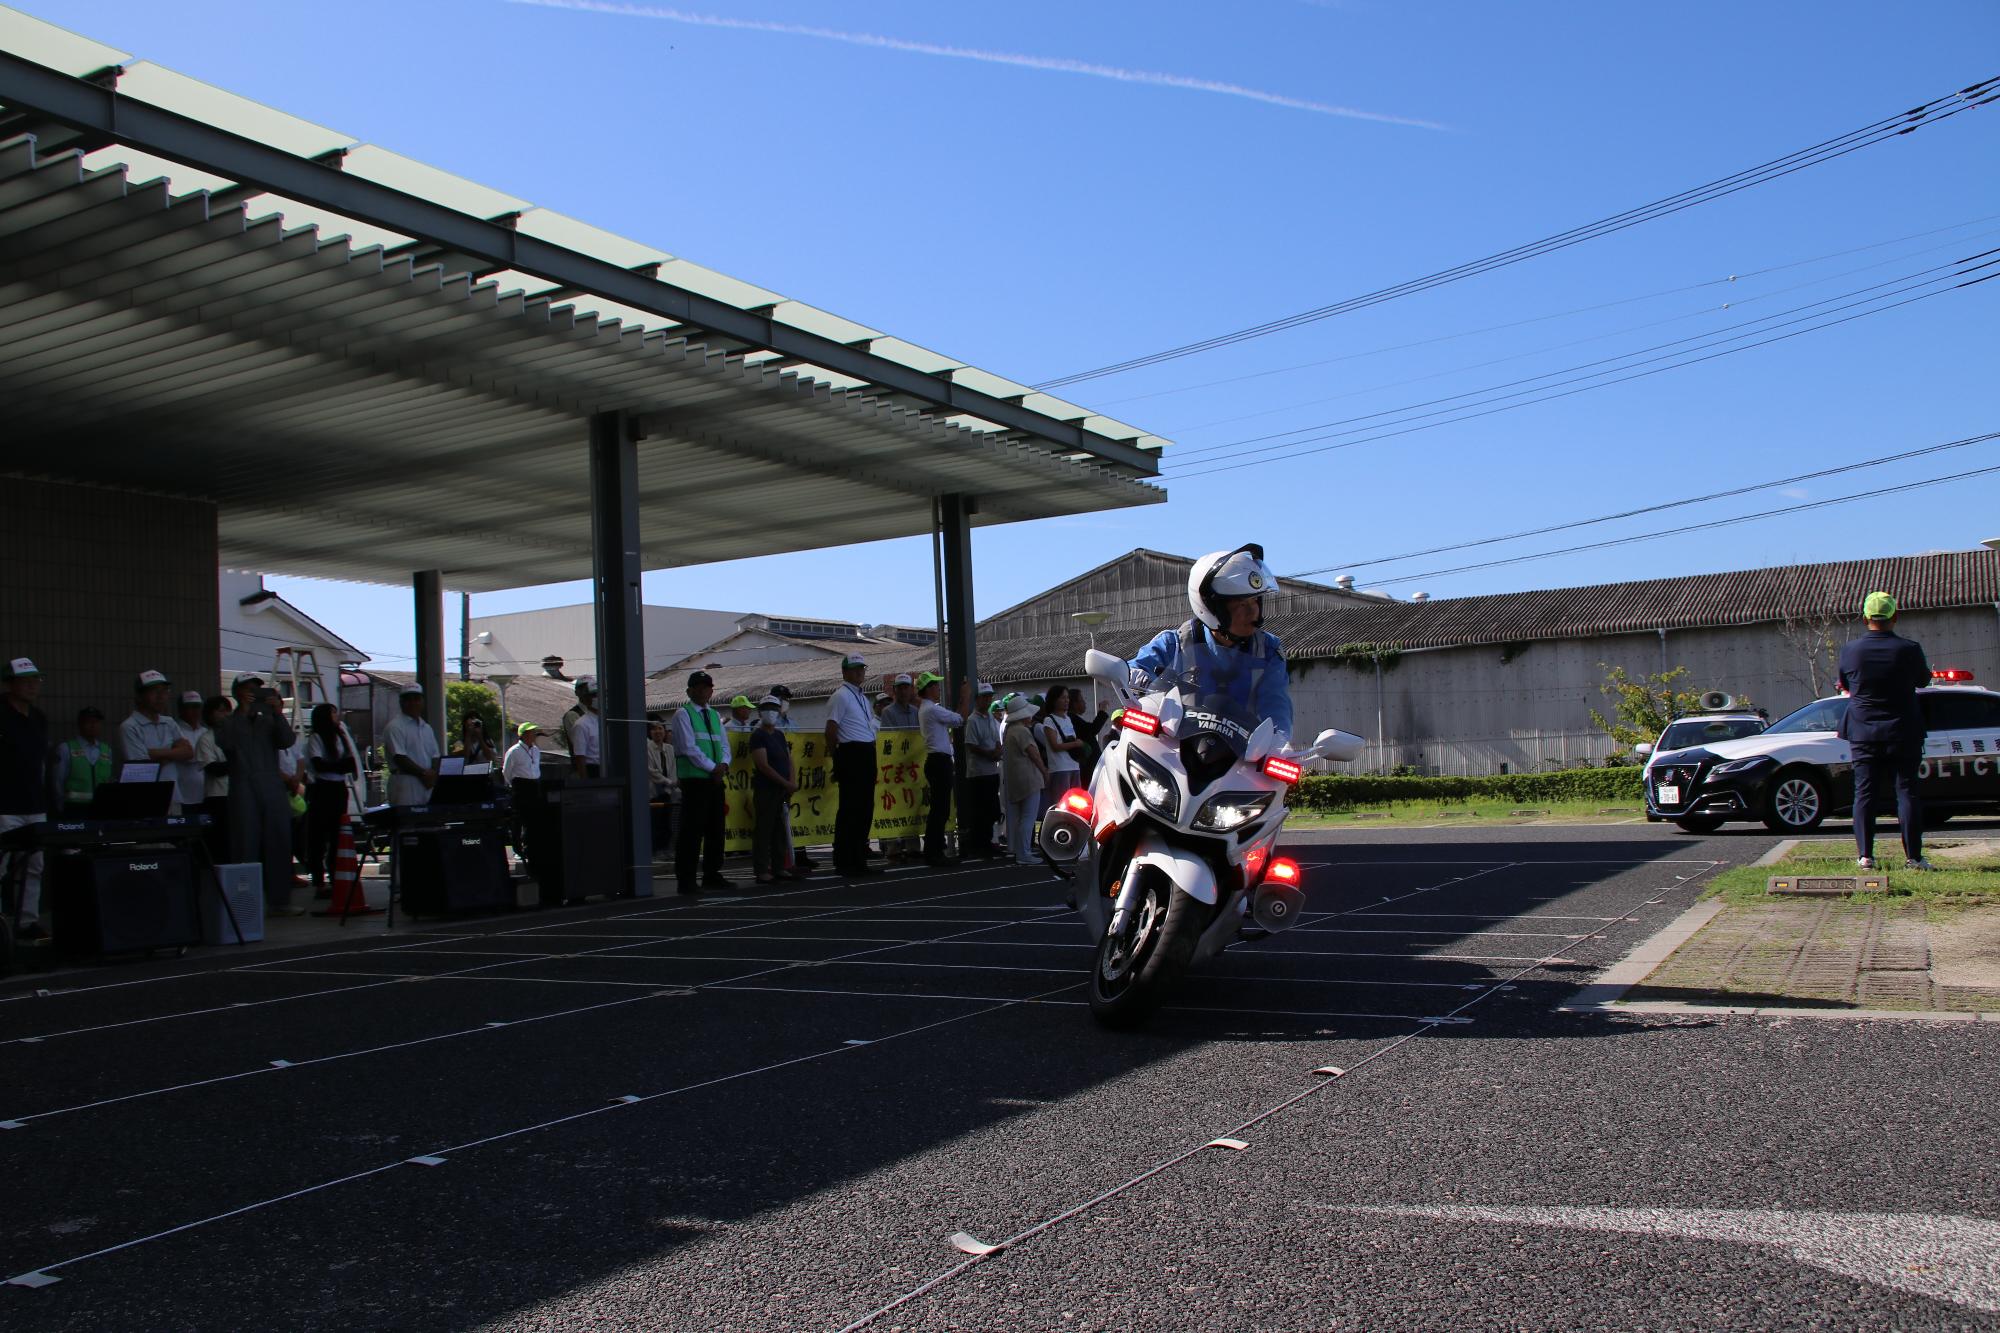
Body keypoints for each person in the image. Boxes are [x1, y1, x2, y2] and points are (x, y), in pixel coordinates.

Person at [1130, 543, 1294, 738]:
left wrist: (1280, 740)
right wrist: (1133, 678)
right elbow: (1131, 672)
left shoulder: (1268, 650)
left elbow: (1276, 704)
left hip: (1243, 758)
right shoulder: (1174, 644)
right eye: (1242, 604)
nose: (1253, 612)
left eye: (1255, 601)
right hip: (1176, 750)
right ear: (1211, 606)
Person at [1838, 591, 1933, 871]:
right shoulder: (1909, 649)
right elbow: (1923, 681)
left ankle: (1865, 856)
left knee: (1864, 793)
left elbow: (1844, 683)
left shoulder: (1850, 650)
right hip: (1903, 729)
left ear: (1865, 617)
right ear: (1894, 616)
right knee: (1907, 791)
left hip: (1863, 730)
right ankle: (1914, 858)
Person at [215, 673, 300, 913]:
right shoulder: (229, 720)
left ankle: (280, 901)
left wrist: (277, 712)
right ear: (237, 693)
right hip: (243, 785)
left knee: (279, 841)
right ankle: (245, 904)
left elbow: (286, 741)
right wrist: (242, 711)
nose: (254, 694)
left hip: (271, 784)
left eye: (257, 690)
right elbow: (225, 743)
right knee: (245, 843)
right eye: (248, 689)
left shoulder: (269, 720)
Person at [0, 657, 51, 940]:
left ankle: (26, 922)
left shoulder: (39, 718)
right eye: (26, 680)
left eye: (36, 680)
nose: (33, 685)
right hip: (4, 804)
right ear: (10, 684)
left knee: (33, 866)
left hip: (34, 803)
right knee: (2, 864)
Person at [669, 670, 732, 895]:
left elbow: (725, 745)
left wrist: (723, 764)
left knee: (716, 829)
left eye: (707, 687)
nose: (704, 690)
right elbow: (688, 748)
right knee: (691, 832)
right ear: (690, 690)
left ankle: (712, 875)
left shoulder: (714, 715)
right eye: (699, 686)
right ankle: (686, 880)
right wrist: (712, 767)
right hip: (695, 780)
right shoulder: (683, 714)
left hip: (714, 780)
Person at [826, 654, 880, 877]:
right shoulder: (840, 696)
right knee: (850, 810)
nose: (860, 672)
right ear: (845, 672)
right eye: (855, 668)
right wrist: (837, 758)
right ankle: (844, 860)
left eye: (862, 668)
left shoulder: (863, 698)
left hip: (866, 752)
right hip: (851, 752)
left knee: (864, 809)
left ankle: (858, 859)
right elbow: (831, 729)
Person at [302, 703, 360, 895]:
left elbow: (350, 762)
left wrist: (338, 765)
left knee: (338, 834)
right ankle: (318, 878)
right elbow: (319, 764)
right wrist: (340, 765)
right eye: (333, 714)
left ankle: (336, 875)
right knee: (318, 835)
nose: (337, 717)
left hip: (338, 788)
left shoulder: (341, 736)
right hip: (321, 789)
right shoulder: (316, 738)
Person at [916, 672, 972, 866]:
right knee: (940, 809)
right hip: (939, 761)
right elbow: (961, 719)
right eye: (936, 686)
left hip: (936, 761)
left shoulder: (928, 709)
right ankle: (934, 851)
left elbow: (955, 718)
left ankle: (934, 849)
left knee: (939, 808)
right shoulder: (931, 709)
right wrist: (965, 695)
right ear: (929, 689)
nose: (938, 689)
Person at [119, 669, 194, 812]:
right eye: (154, 691)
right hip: (144, 798)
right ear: (140, 696)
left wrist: (154, 753)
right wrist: (173, 753)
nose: (161, 697)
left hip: (173, 796)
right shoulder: (129, 726)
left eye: (164, 691)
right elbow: (142, 766)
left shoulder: (169, 722)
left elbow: (189, 752)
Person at [747, 695, 800, 884]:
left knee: (780, 830)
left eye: (774, 709)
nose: (771, 712)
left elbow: (789, 759)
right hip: (766, 789)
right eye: (767, 709)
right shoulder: (758, 735)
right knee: (764, 829)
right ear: (760, 712)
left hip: (783, 790)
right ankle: (761, 869)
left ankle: (779, 867)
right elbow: (763, 765)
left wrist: (791, 781)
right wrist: (785, 783)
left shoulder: (779, 734)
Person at [765, 684, 815, 873]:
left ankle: (800, 855)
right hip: (776, 775)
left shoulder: (792, 723)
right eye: (780, 698)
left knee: (797, 816)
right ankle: (781, 860)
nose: (784, 702)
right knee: (778, 820)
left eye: (786, 698)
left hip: (795, 774)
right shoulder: (768, 725)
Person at [1000, 692, 1049, 866]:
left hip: (1015, 779)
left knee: (1020, 817)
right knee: (1028, 817)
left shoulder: (1010, 730)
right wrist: (1044, 770)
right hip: (1029, 779)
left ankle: (1019, 851)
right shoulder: (1022, 731)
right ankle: (1024, 853)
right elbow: (1033, 753)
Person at [880, 676, 922, 864]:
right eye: (900, 688)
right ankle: (893, 849)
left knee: (912, 805)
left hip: (913, 766)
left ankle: (913, 847)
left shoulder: (916, 711)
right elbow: (890, 739)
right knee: (895, 807)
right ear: (895, 691)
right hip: (896, 767)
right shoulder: (888, 712)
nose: (904, 691)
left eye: (907, 688)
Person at [961, 683, 1002, 859]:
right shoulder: (972, 720)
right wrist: (989, 754)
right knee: (980, 811)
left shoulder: (992, 719)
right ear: (977, 699)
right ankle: (979, 845)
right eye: (984, 697)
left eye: (989, 696)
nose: (988, 699)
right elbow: (971, 745)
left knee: (992, 809)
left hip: (992, 771)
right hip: (978, 773)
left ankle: (986, 842)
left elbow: (998, 740)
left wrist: (997, 751)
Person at [383, 684, 441, 808]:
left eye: (417, 699)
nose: (413, 703)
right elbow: (400, 758)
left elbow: (435, 756)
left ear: (422, 701)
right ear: (401, 702)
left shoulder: (427, 728)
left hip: (427, 784)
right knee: (407, 822)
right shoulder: (395, 727)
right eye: (408, 699)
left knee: (427, 823)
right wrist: (424, 774)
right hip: (405, 781)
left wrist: (433, 774)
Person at [48, 706, 114, 815]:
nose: (93, 725)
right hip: (74, 808)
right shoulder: (66, 748)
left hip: (101, 808)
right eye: (89, 722)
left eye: (97, 722)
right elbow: (57, 781)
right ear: (80, 724)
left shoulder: (106, 750)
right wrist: (59, 807)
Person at [194, 696, 232, 862]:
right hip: (217, 796)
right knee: (220, 842)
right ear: (209, 714)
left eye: (227, 710)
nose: (224, 714)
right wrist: (237, 762)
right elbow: (213, 769)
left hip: (236, 793)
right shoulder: (206, 739)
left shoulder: (236, 736)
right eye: (220, 710)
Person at [1040, 684, 1085, 810]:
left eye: (1067, 697)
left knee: (1076, 804)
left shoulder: (1068, 719)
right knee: (1061, 804)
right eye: (1062, 698)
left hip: (1074, 765)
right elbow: (1055, 746)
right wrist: (1076, 744)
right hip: (1060, 768)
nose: (1066, 701)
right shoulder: (1049, 720)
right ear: (1054, 700)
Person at [172, 690, 211, 816]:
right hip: (183, 794)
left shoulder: (206, 732)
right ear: (181, 710)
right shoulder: (174, 730)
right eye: (190, 707)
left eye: (197, 707)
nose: (195, 711)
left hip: (206, 793)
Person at [645, 715, 678, 863]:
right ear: (649, 732)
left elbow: (673, 768)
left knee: (667, 821)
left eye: (660, 728)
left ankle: (666, 849)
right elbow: (650, 771)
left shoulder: (670, 749)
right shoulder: (646, 747)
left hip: (669, 790)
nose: (657, 732)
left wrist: (672, 784)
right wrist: (668, 782)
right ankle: (656, 850)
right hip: (654, 791)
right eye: (654, 729)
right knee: (655, 822)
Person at [556, 677, 594, 758]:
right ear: (577, 692)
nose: (587, 693)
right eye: (584, 689)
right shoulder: (573, 715)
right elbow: (580, 745)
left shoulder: (599, 712)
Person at [568, 691, 601, 779]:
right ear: (586, 700)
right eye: (594, 695)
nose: (598, 698)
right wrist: (585, 781)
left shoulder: (606, 721)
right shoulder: (581, 724)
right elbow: (579, 756)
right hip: (593, 770)